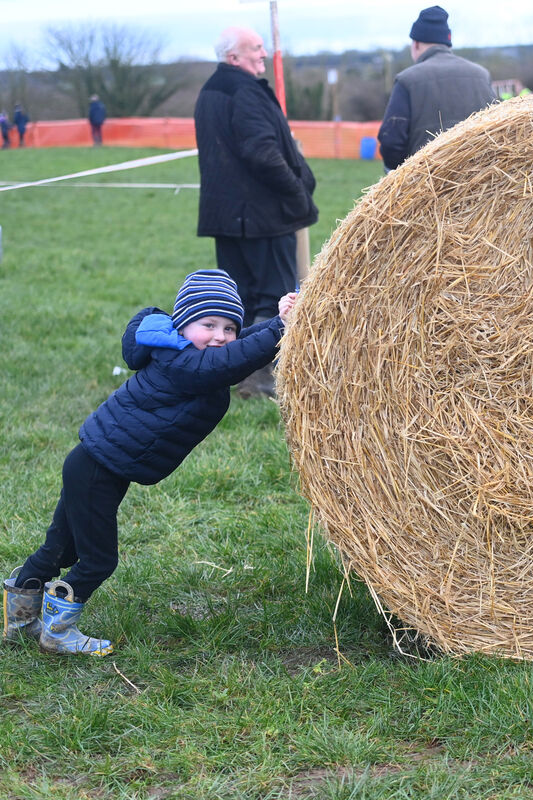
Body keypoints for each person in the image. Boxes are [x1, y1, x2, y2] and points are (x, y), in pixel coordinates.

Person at [2, 270, 297, 655]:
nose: (220, 336)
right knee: (98, 560)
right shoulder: (183, 363)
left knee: (59, 548)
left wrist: (280, 320)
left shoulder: (186, 351)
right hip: (96, 470)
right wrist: (278, 329)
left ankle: (20, 622)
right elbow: (227, 363)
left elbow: (234, 350)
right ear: (182, 323)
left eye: (229, 327)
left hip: (95, 464)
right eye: (208, 324)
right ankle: (57, 634)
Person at [194, 26, 317, 396]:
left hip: (229, 217)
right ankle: (260, 381)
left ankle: (236, 374)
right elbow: (262, 152)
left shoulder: (210, 91)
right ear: (234, 57)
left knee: (241, 298)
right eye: (256, 49)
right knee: (274, 299)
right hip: (262, 217)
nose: (264, 55)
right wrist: (297, 194)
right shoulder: (244, 91)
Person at [377, 6, 495, 171]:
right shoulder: (482, 75)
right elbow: (498, 130)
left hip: (426, 184)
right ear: (447, 43)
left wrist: (398, 176)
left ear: (416, 44)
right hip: (478, 182)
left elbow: (392, 141)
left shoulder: (407, 79)